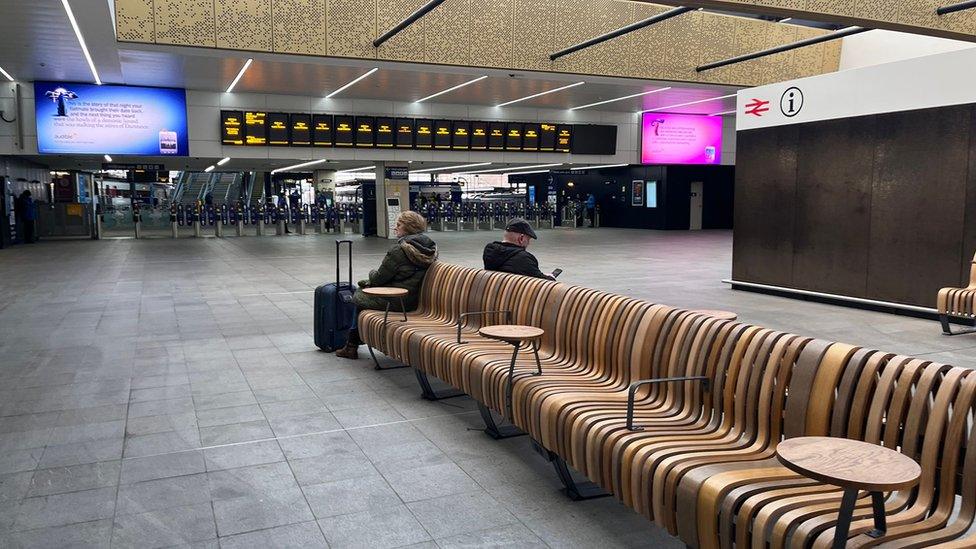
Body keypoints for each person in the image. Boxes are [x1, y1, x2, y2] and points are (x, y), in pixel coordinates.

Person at [336, 211, 438, 359]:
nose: (395, 228)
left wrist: (370, 274)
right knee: (365, 293)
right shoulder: (431, 249)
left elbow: (378, 279)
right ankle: (352, 343)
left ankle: (351, 345)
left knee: (360, 296)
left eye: (399, 225)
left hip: (399, 301)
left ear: (409, 228)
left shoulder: (399, 250)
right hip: (416, 298)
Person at [483, 218, 555, 280]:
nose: (528, 243)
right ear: (521, 238)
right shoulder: (524, 258)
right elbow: (542, 283)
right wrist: (550, 277)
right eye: (528, 240)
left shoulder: (489, 251)